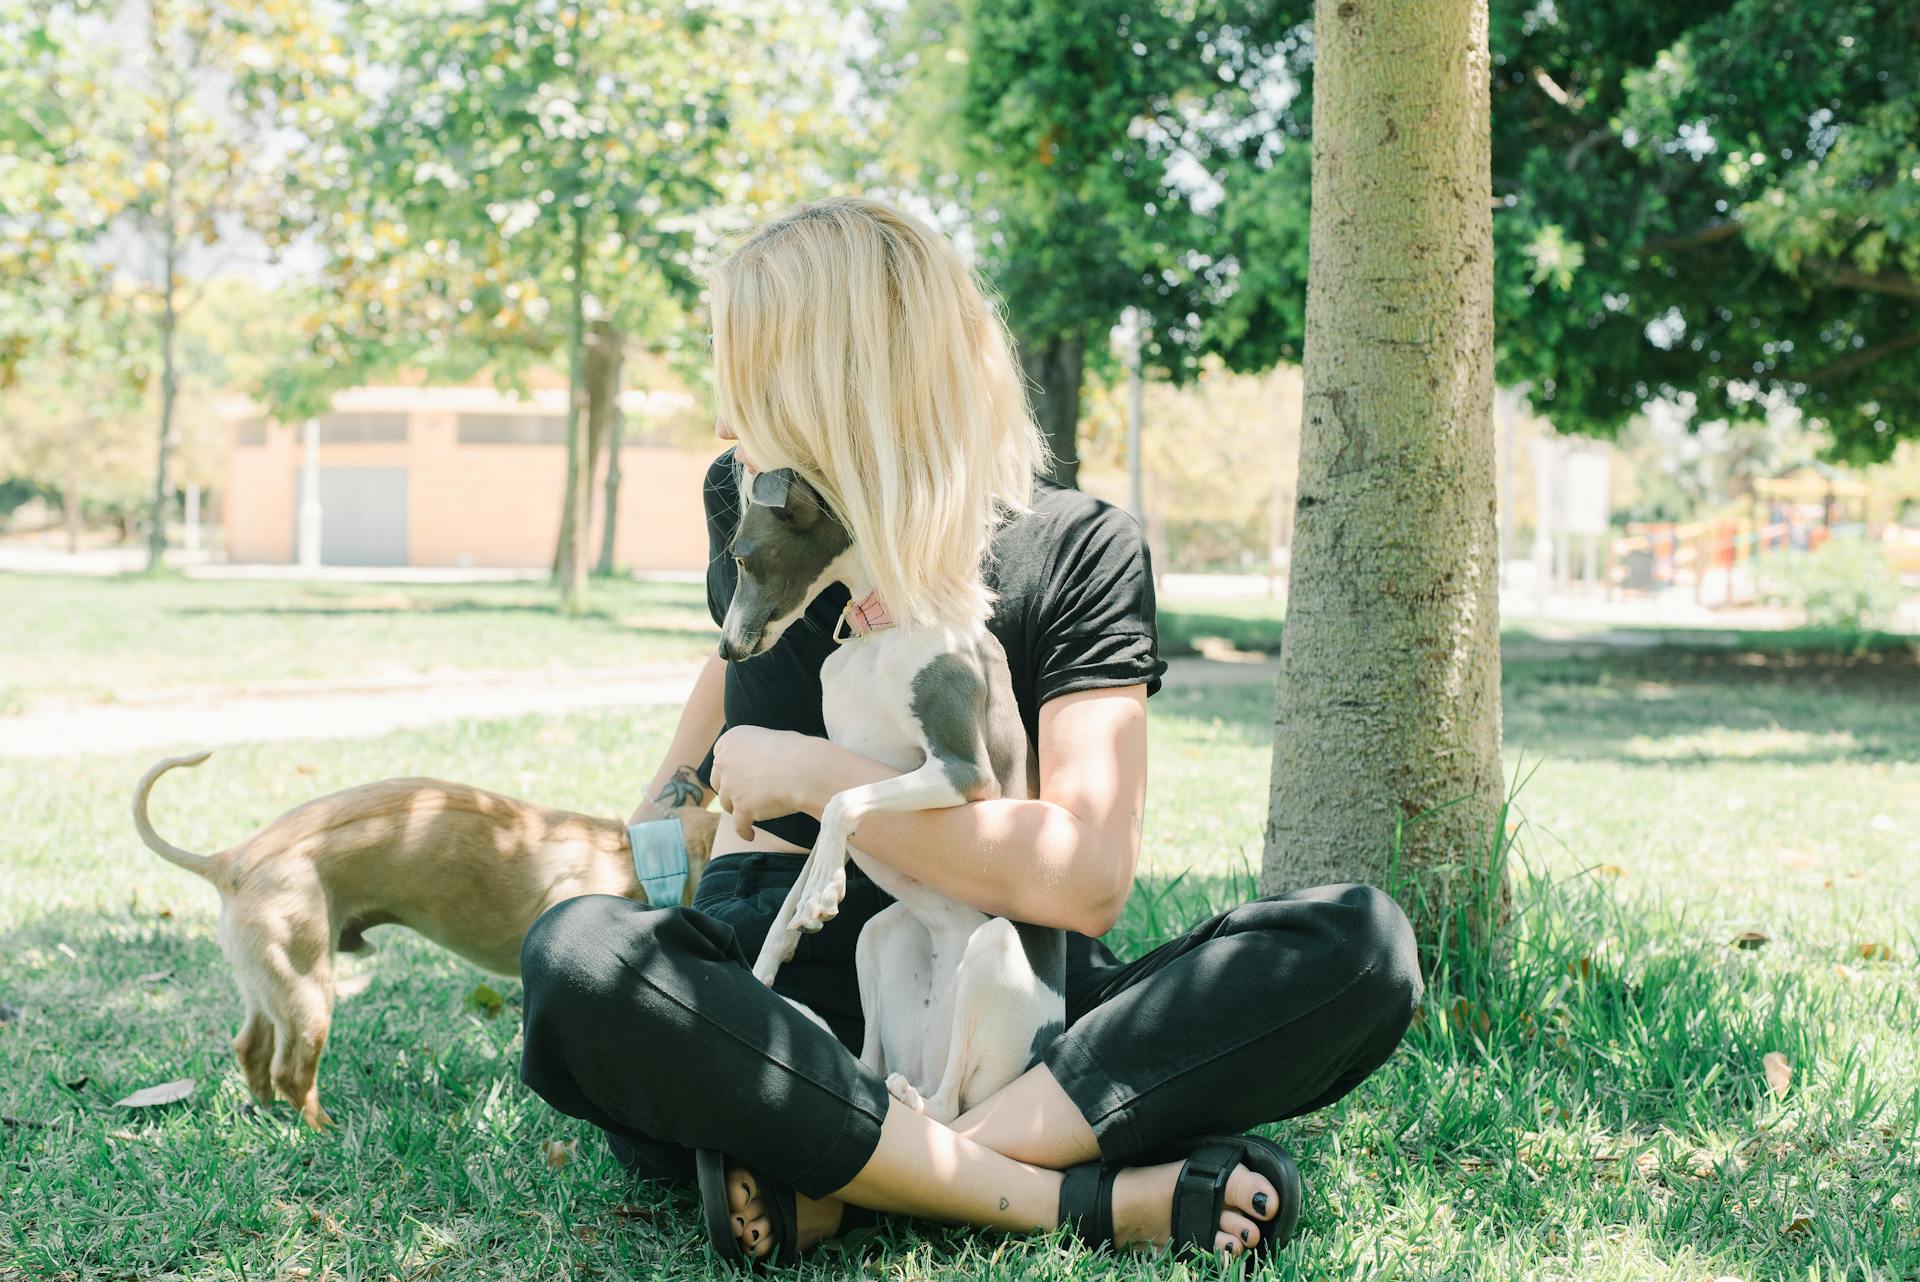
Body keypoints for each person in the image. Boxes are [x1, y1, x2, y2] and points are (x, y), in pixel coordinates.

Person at [518, 197, 1421, 1266]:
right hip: (786, 983)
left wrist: (815, 777)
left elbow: (1082, 877)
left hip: (1004, 986)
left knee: (1359, 950)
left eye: (745, 385)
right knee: (580, 958)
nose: (725, 424)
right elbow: (721, 700)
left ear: (833, 389)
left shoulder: (1075, 548)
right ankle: (1081, 1196)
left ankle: (853, 1176)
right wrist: (663, 838)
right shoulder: (747, 499)